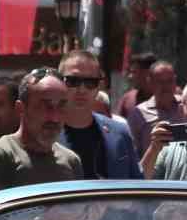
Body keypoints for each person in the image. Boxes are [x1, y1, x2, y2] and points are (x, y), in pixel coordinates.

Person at [0, 69, 83, 192]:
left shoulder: (71, 161)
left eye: (61, 106)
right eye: (44, 106)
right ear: (21, 108)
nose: (54, 117)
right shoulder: (0, 156)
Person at [58, 49, 141, 179]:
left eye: (90, 82)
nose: (82, 89)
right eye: (73, 81)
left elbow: (136, 185)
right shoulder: (44, 135)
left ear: (98, 87)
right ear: (59, 82)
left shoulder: (120, 133)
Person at [127, 60, 184, 159]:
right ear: (150, 82)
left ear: (175, 81)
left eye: (169, 81)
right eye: (160, 82)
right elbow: (132, 154)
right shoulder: (138, 114)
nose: (165, 86)